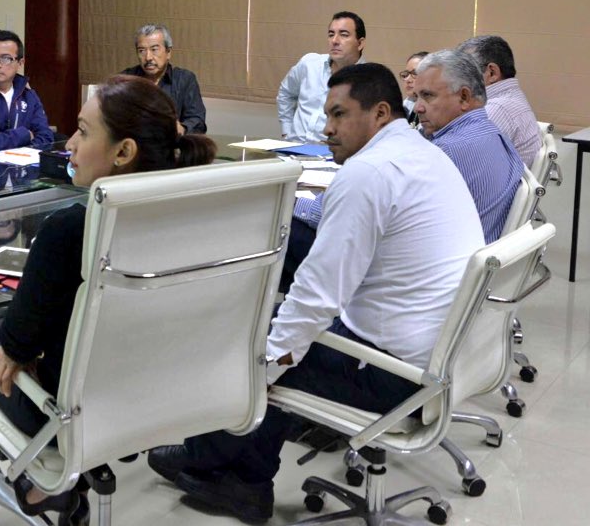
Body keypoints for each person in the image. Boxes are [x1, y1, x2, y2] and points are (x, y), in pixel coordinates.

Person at [147, 63, 484, 523]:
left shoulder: (368, 174)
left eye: (339, 115)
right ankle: (244, 474)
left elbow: (317, 296)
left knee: (260, 340)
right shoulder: (423, 153)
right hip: (436, 357)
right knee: (290, 335)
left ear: (381, 112)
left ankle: (214, 462)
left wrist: (263, 367)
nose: (326, 129)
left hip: (395, 375)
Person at [0, 75, 217, 523]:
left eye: (82, 130)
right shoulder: (194, 219)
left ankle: (43, 480)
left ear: (124, 152)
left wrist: (21, 351)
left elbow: (15, 343)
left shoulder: (68, 230)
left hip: (75, 412)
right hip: (164, 399)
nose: (69, 144)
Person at [413, 49, 524, 243]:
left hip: (452, 264)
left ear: (464, 97)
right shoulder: (493, 133)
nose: (418, 108)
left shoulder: (444, 153)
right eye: (416, 97)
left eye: (428, 96)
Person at [277, 11, 367, 142]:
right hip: (292, 149)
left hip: (333, 156)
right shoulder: (309, 64)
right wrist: (286, 131)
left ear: (360, 43)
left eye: (343, 35)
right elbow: (286, 93)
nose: (335, 41)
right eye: (331, 34)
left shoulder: (369, 79)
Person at [456, 35, 542, 168]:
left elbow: (458, 159)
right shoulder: (509, 99)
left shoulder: (496, 109)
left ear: (492, 73)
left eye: (464, 72)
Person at [120, 23, 207, 134]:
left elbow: (197, 121)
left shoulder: (184, 80)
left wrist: (182, 128)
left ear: (168, 52)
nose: (148, 57)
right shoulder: (126, 79)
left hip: (171, 147)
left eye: (154, 49)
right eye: (141, 51)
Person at [400, 51, 428, 127]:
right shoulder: (404, 106)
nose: (408, 80)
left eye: (414, 73)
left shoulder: (434, 110)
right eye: (406, 74)